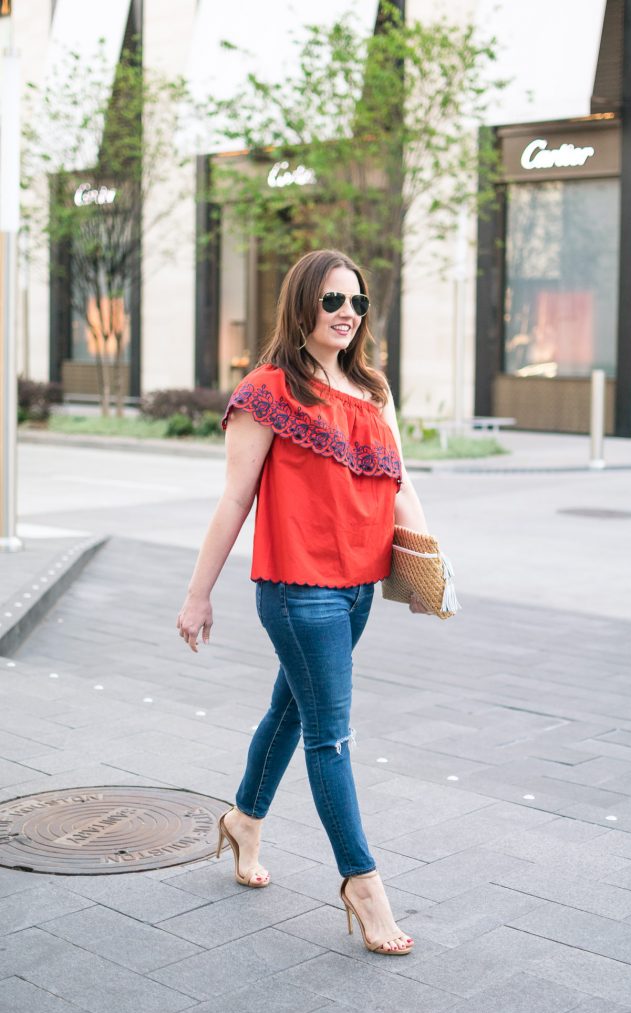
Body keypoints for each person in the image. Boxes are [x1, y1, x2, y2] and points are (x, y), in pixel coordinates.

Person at [177, 249, 431, 956]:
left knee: (291, 708)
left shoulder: (373, 390)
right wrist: (198, 595)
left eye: (357, 302)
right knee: (330, 734)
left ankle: (244, 819)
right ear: (301, 307)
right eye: (331, 301)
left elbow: (400, 483)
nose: (346, 313)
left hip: (358, 589)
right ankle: (362, 885)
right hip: (297, 590)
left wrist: (430, 562)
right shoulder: (267, 391)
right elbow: (233, 498)